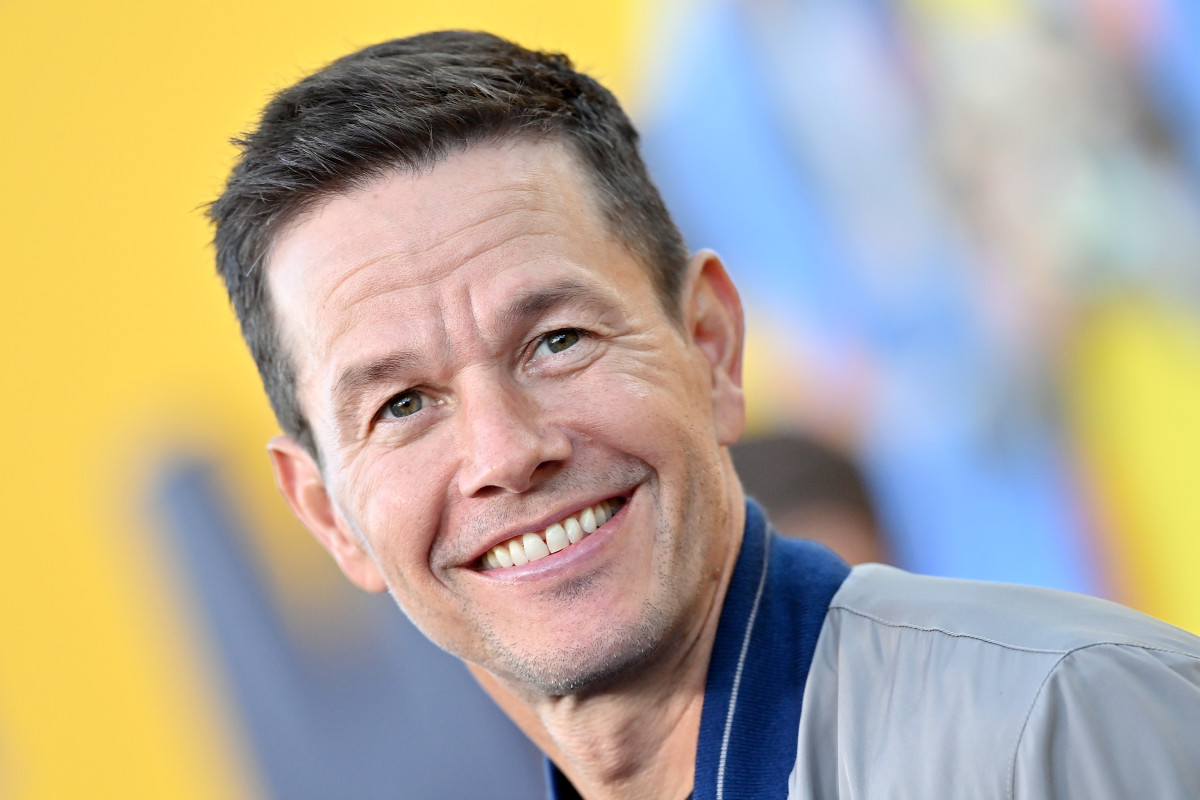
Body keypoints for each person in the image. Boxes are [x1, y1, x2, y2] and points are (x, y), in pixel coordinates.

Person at [208, 31, 1200, 799]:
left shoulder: (1061, 729)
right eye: (403, 404)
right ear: (329, 514)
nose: (504, 452)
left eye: (557, 340)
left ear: (711, 345)